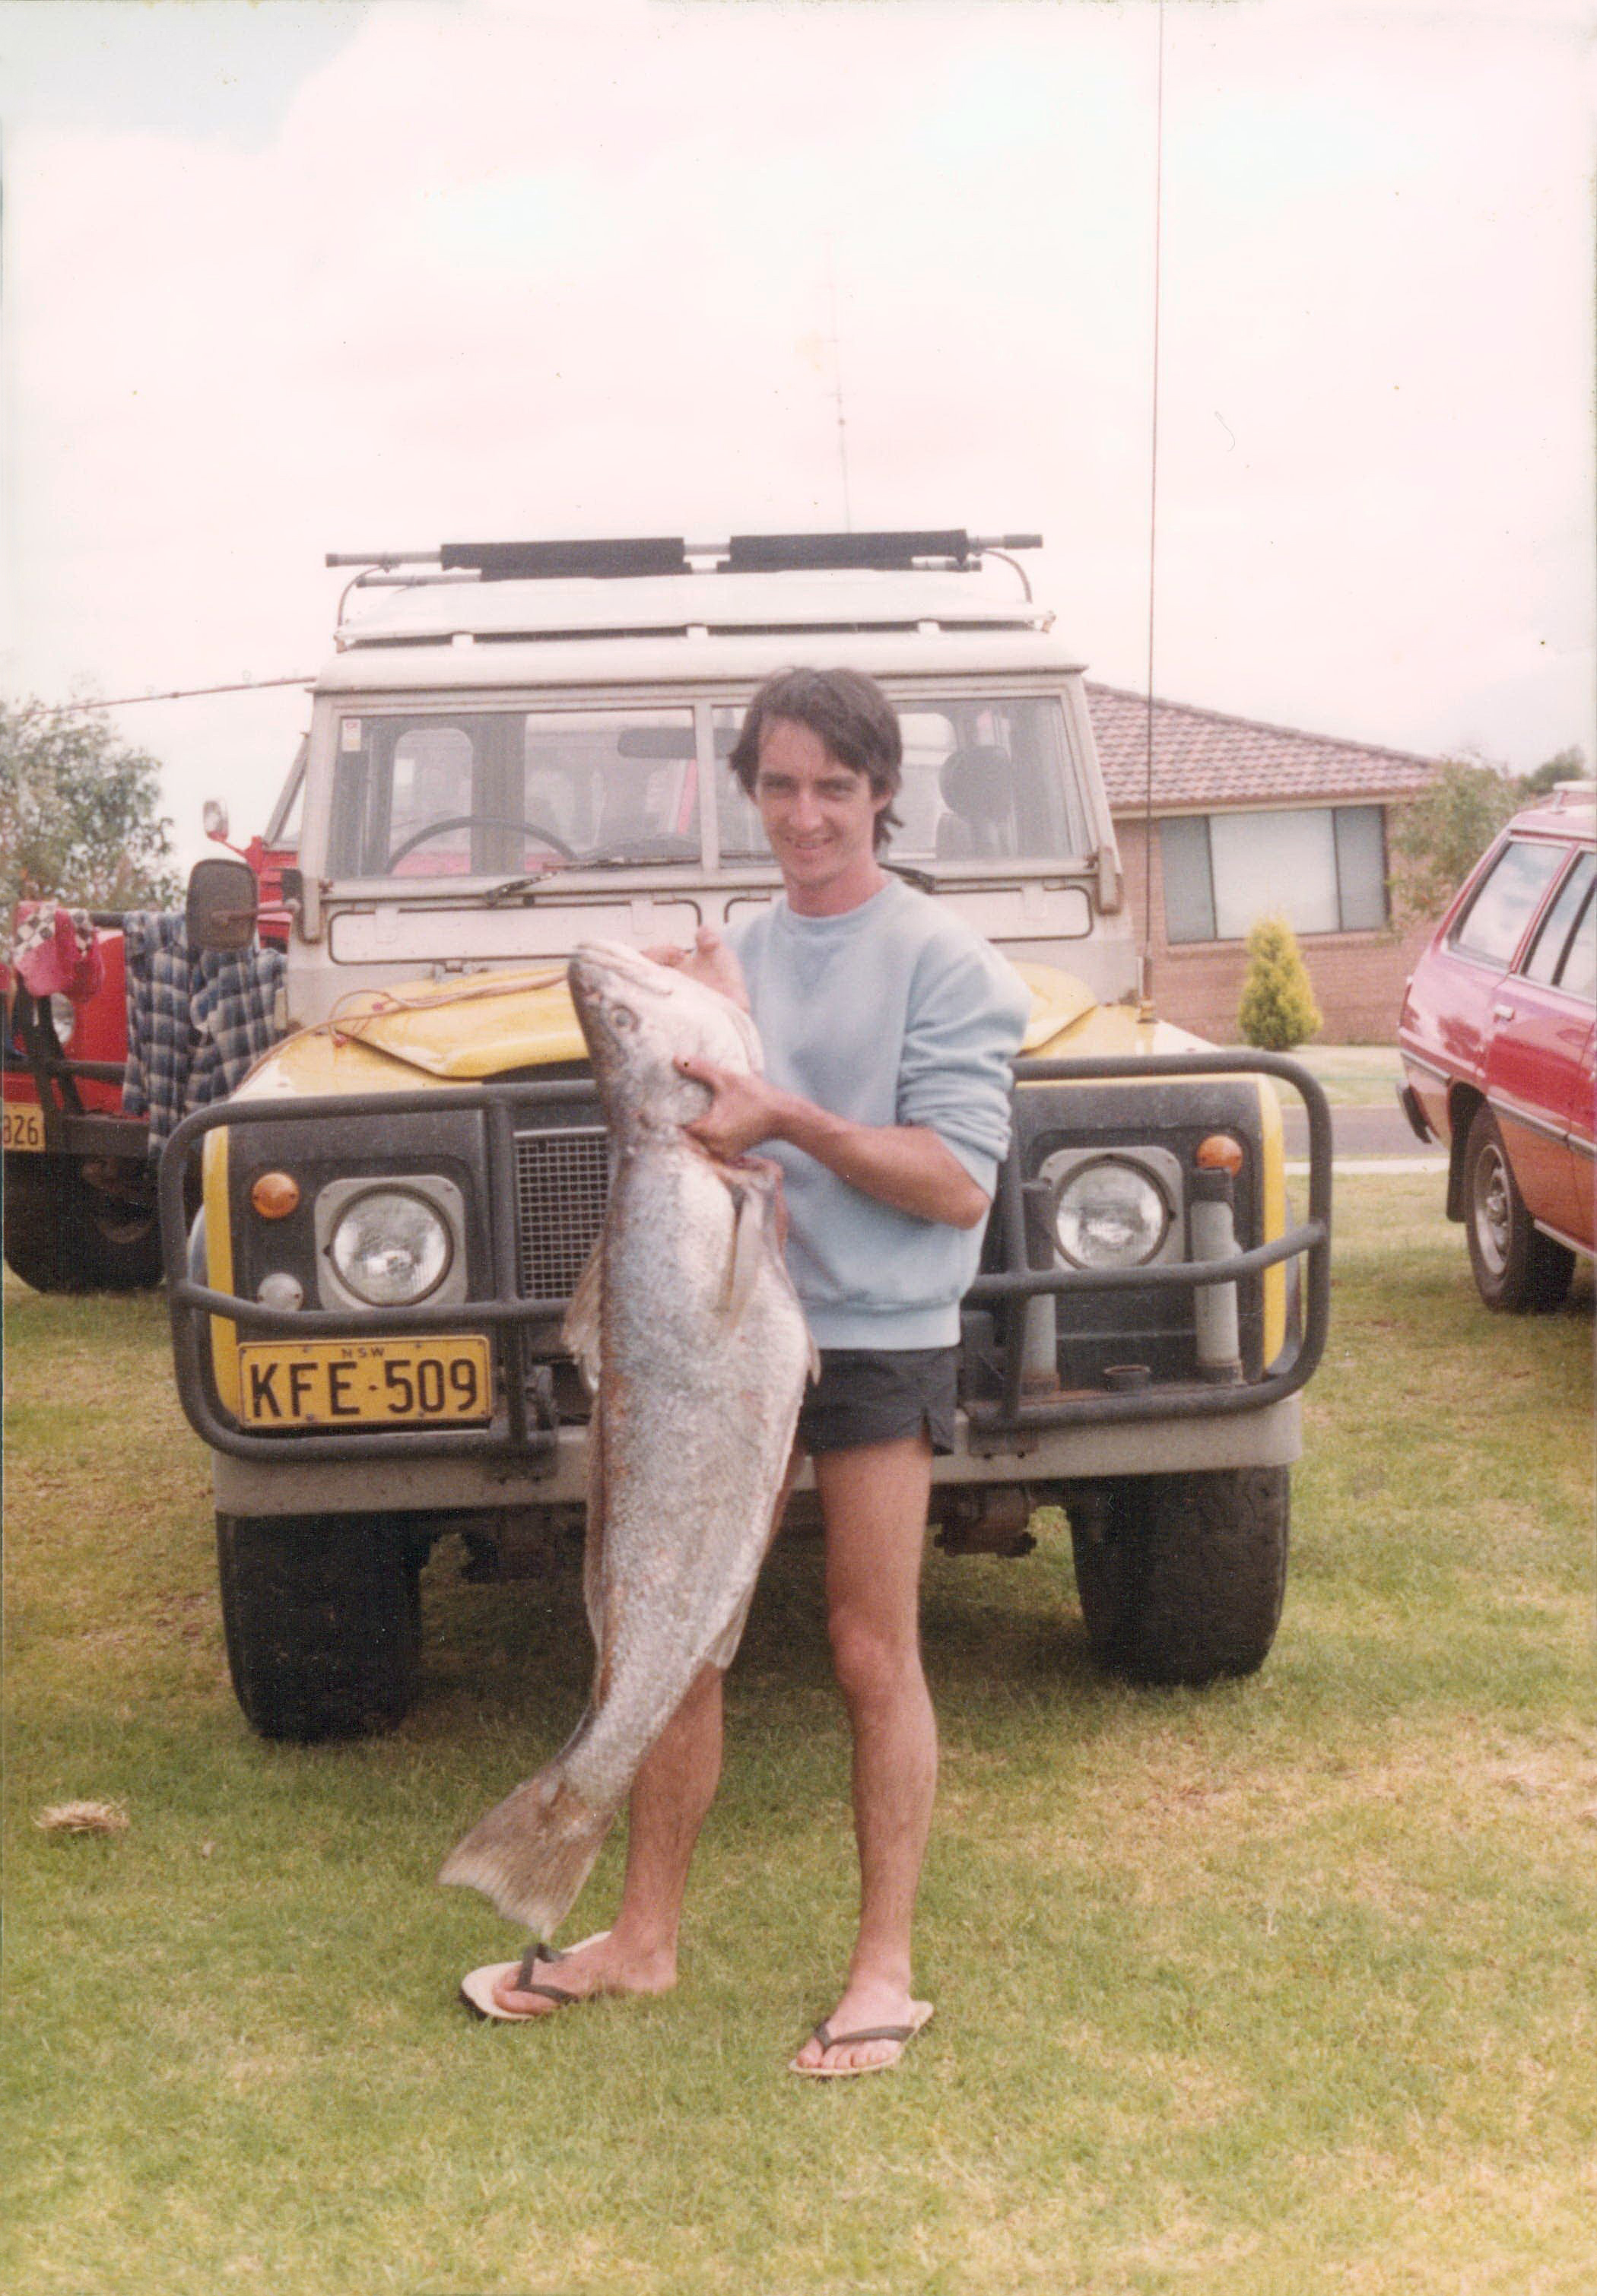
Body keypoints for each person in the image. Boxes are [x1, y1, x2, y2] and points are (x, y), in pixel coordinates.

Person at [489, 667, 1031, 2075]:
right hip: (719, 1335)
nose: (805, 817)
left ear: (883, 794)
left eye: (834, 789)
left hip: (876, 1338)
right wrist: (704, 1016)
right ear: (750, 792)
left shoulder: (949, 964)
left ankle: (883, 1969)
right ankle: (641, 1937)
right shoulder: (728, 959)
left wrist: (785, 1115)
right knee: (678, 1635)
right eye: (779, 787)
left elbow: (955, 1184)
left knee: (869, 1649)